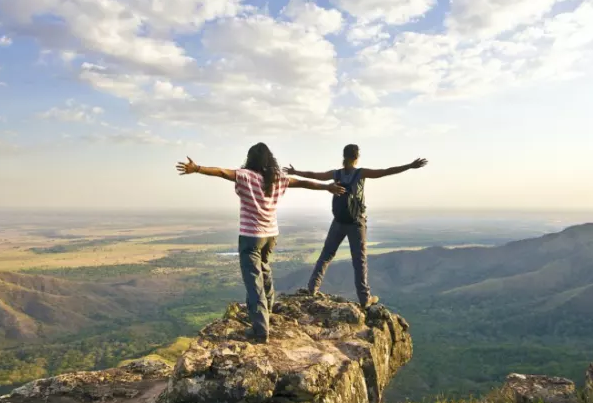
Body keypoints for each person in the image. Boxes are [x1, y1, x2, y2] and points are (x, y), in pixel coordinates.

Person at [176, 143, 344, 343]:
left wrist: (197, 169)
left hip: (251, 236)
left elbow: (222, 172)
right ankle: (268, 308)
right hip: (271, 235)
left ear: (251, 159)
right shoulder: (279, 179)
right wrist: (328, 187)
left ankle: (260, 330)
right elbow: (302, 183)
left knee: (253, 281)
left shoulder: (246, 176)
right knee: (264, 269)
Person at [286, 145, 427, 308]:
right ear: (357, 157)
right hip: (356, 223)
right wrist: (409, 166)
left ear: (343, 156)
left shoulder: (336, 174)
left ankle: (312, 288)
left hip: (338, 221)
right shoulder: (361, 173)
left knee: (326, 255)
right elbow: (385, 171)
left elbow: (314, 175)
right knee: (359, 261)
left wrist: (295, 172)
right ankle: (365, 299)